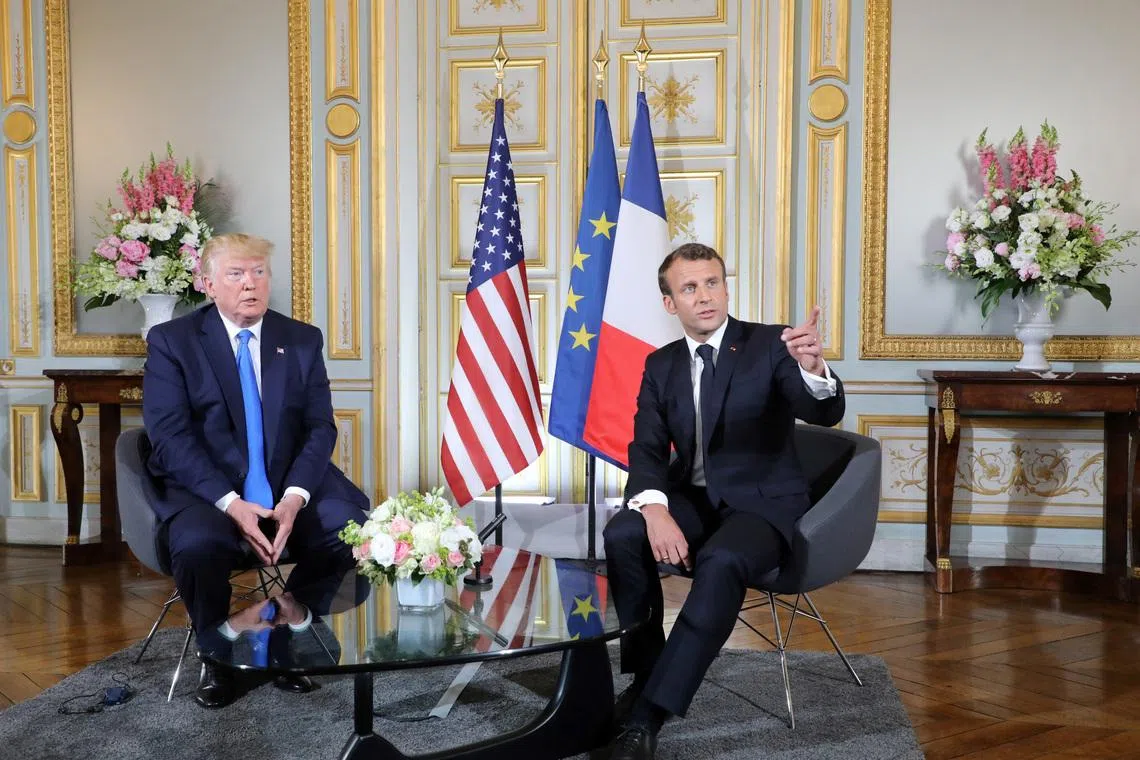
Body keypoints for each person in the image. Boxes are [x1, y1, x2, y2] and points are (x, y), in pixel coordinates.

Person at [603, 243, 845, 759]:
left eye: (712, 282)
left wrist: (814, 368)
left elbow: (821, 413)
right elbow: (645, 446)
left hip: (762, 504)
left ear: (726, 287)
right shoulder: (660, 364)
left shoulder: (770, 344)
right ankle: (649, 671)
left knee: (723, 558)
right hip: (692, 498)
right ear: (671, 303)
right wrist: (654, 509)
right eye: (689, 288)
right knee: (622, 533)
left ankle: (648, 714)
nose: (705, 296)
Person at [142, 233, 369, 709]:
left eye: (259, 273)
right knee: (200, 545)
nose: (251, 284)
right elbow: (171, 436)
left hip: (287, 480)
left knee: (351, 527)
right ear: (208, 284)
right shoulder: (173, 342)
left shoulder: (301, 339)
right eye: (236, 274)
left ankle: (291, 634)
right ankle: (217, 654)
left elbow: (319, 427)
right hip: (209, 489)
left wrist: (294, 497)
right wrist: (231, 503)